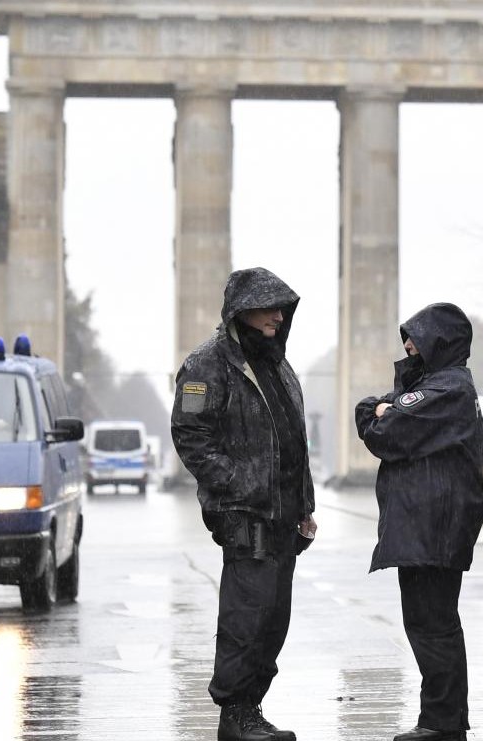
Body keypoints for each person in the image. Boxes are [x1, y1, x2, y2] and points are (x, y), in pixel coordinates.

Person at [172, 268, 317, 741]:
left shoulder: (277, 363)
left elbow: (294, 438)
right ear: (243, 312)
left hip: (283, 516)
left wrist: (305, 505)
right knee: (245, 618)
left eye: (282, 308)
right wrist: (236, 484)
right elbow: (192, 437)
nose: (278, 316)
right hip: (244, 514)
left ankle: (251, 708)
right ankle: (234, 715)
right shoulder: (207, 364)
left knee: (274, 620)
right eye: (269, 307)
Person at [355, 302, 483, 741]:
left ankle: (441, 722)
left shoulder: (448, 390)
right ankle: (441, 718)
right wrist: (382, 408)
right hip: (426, 524)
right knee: (429, 623)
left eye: (415, 338)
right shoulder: (439, 387)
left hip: (434, 525)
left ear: (440, 342)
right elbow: (371, 412)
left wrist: (384, 412)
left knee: (433, 624)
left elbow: (385, 432)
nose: (408, 346)